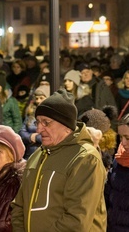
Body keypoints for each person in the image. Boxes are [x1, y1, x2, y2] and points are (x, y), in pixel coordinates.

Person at [11, 90, 107, 231]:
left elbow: (76, 219)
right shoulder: (37, 155)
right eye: (38, 122)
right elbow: (19, 205)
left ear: (66, 125)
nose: (38, 129)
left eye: (46, 123)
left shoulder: (86, 158)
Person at [18, 85, 49, 158]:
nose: (38, 101)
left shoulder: (52, 115)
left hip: (44, 154)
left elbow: (53, 135)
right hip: (30, 154)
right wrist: (30, 137)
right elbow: (21, 132)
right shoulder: (31, 114)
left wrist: (37, 138)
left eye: (41, 98)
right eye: (37, 98)